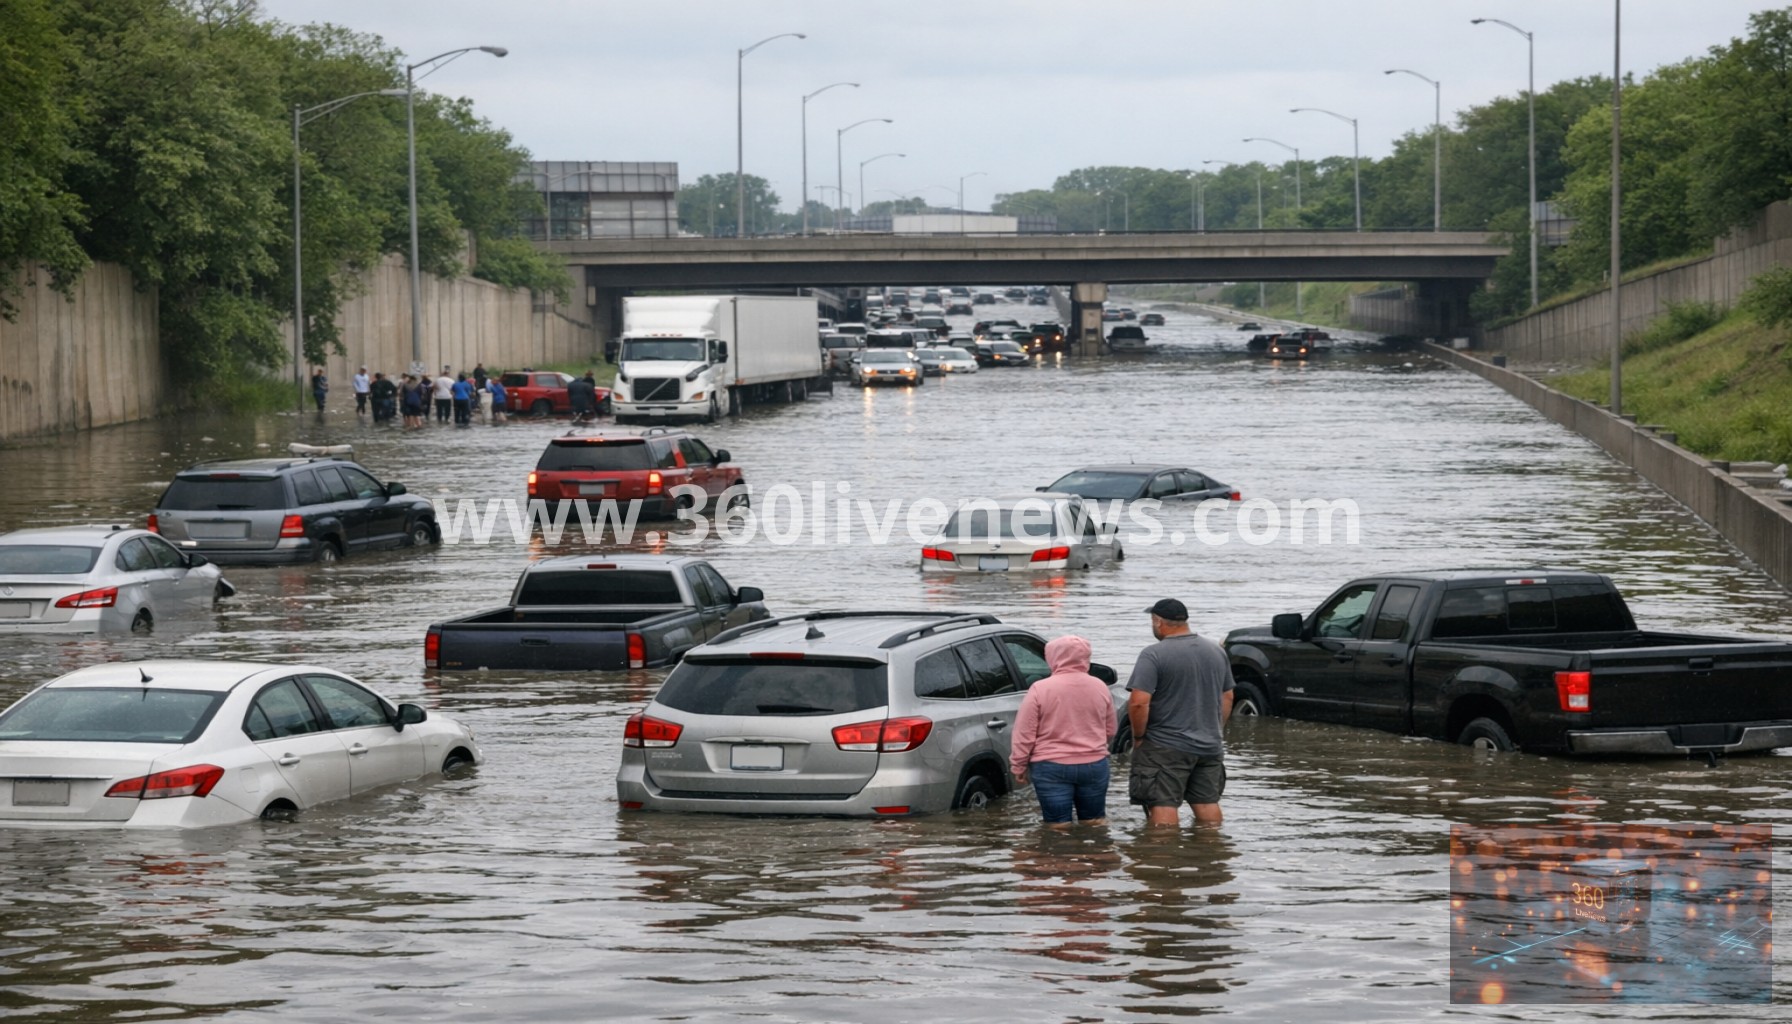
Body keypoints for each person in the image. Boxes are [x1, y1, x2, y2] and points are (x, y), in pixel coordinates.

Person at [1128, 598, 1235, 827]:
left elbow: (1138, 703)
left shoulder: (1153, 654)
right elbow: (1228, 697)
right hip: (1209, 744)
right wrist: (1216, 729)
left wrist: (1138, 738)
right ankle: (1211, 852)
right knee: (1207, 803)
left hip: (1166, 746)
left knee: (1162, 803)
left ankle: (1163, 856)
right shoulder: (1216, 651)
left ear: (1158, 622)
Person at [1010, 635, 1116, 828]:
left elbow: (1024, 733)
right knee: (1094, 822)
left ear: (1053, 657)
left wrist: (1019, 765)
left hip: (1050, 766)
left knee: (1057, 825)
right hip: (1094, 764)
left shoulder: (1040, 689)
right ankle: (1098, 855)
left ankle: (1059, 856)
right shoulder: (1100, 686)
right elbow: (1110, 729)